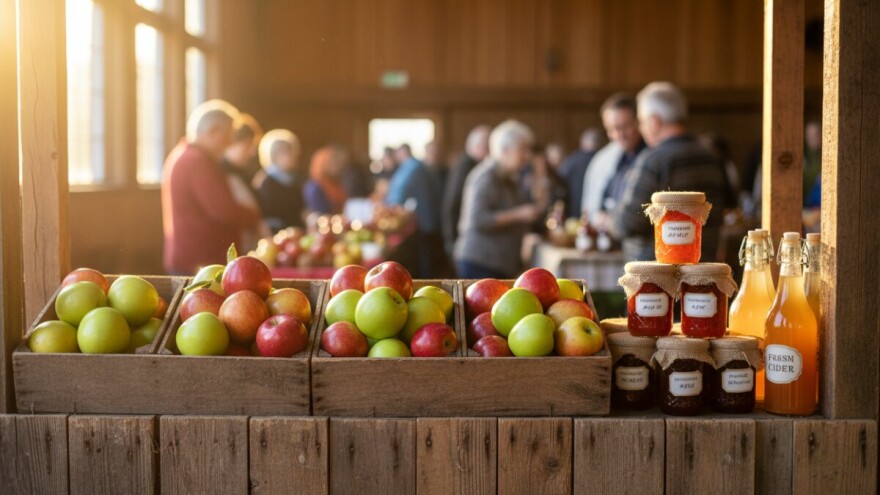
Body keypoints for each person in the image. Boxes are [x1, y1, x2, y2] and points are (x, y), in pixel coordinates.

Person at [603, 82, 728, 262]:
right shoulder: (711, 157)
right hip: (704, 270)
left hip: (657, 277)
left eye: (642, 121)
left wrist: (608, 220)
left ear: (654, 121)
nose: (641, 128)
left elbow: (629, 222)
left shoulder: (653, 160)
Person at [161, 99, 262, 275]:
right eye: (229, 135)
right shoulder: (196, 160)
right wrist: (253, 216)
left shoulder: (188, 155)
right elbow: (223, 210)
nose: (230, 142)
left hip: (197, 260)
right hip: (197, 263)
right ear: (213, 131)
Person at [454, 120, 540, 279]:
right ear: (505, 150)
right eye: (523, 149)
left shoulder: (511, 178)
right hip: (480, 263)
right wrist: (519, 214)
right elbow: (479, 219)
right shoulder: (486, 177)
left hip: (497, 264)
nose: (528, 156)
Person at [581, 93, 647, 225]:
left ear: (638, 122)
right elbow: (589, 209)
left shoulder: (651, 156)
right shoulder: (603, 159)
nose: (619, 135)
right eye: (612, 129)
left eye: (625, 127)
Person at [387, 144, 443, 277]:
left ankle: (426, 280)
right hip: (427, 217)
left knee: (425, 256)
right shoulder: (416, 166)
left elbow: (398, 194)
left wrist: (388, 204)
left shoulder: (413, 167)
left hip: (423, 219)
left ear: (402, 153)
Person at [441, 125, 491, 261]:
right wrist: (451, 241)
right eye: (488, 146)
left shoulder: (473, 165)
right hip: (461, 240)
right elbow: (453, 203)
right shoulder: (466, 167)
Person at [255, 129, 306, 232]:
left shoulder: (295, 179)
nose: (294, 156)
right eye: (288, 152)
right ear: (274, 155)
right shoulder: (266, 182)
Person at [558, 128, 602, 218]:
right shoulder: (604, 160)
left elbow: (559, 182)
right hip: (598, 216)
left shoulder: (571, 161)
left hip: (573, 213)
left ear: (582, 143)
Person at [222, 113, 264, 192]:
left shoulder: (241, 172)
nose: (252, 152)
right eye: (248, 145)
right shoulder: (221, 173)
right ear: (232, 142)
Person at [304, 146, 349, 215]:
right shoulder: (315, 187)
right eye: (333, 162)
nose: (338, 166)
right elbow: (320, 213)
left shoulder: (337, 183)